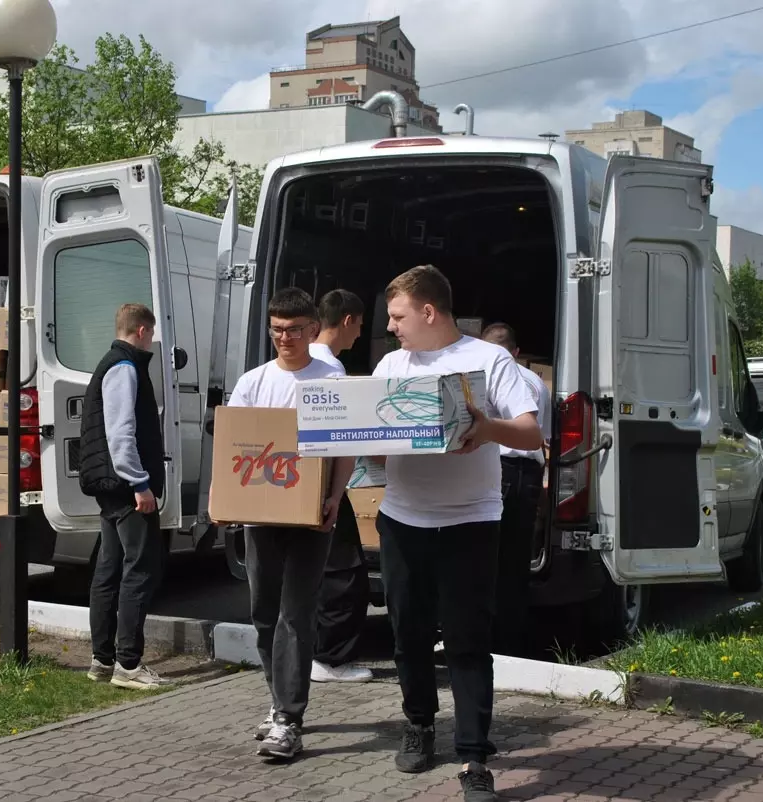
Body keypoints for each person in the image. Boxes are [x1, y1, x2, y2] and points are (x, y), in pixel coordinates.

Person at [372, 266, 540, 801]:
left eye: (398, 316)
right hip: (402, 517)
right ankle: (419, 726)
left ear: (429, 311)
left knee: (468, 642)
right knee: (408, 635)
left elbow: (533, 432)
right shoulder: (391, 365)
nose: (392, 327)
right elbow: (375, 434)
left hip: (470, 520)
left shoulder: (488, 360)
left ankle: (473, 760)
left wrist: (485, 427)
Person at [213, 287, 354, 761]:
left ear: (313, 329)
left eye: (294, 330)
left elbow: (341, 443)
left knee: (296, 612)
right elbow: (234, 445)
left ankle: (290, 719)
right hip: (261, 516)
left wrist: (335, 497)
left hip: (311, 516)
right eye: (277, 330)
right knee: (262, 612)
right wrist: (221, 498)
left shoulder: (329, 377)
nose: (285, 338)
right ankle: (279, 706)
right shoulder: (253, 381)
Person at [79, 303, 172, 690]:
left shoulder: (110, 364)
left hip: (108, 488)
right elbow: (121, 432)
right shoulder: (125, 367)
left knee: (109, 570)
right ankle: (129, 665)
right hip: (126, 488)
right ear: (142, 331)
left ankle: (102, 660)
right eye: (151, 334)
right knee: (140, 569)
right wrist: (140, 483)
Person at [309, 289, 374, 684]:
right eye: (360, 326)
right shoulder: (332, 373)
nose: (360, 335)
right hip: (326, 485)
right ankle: (331, 659)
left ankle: (314, 652)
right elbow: (342, 441)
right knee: (344, 574)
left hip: (295, 483)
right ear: (347, 320)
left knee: (311, 573)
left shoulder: (296, 363)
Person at [481, 322, 551, 658]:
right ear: (517, 352)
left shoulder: (479, 379)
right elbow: (543, 438)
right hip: (528, 475)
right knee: (515, 563)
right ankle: (511, 646)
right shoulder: (536, 383)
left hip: (495, 470)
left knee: (483, 559)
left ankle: (482, 641)